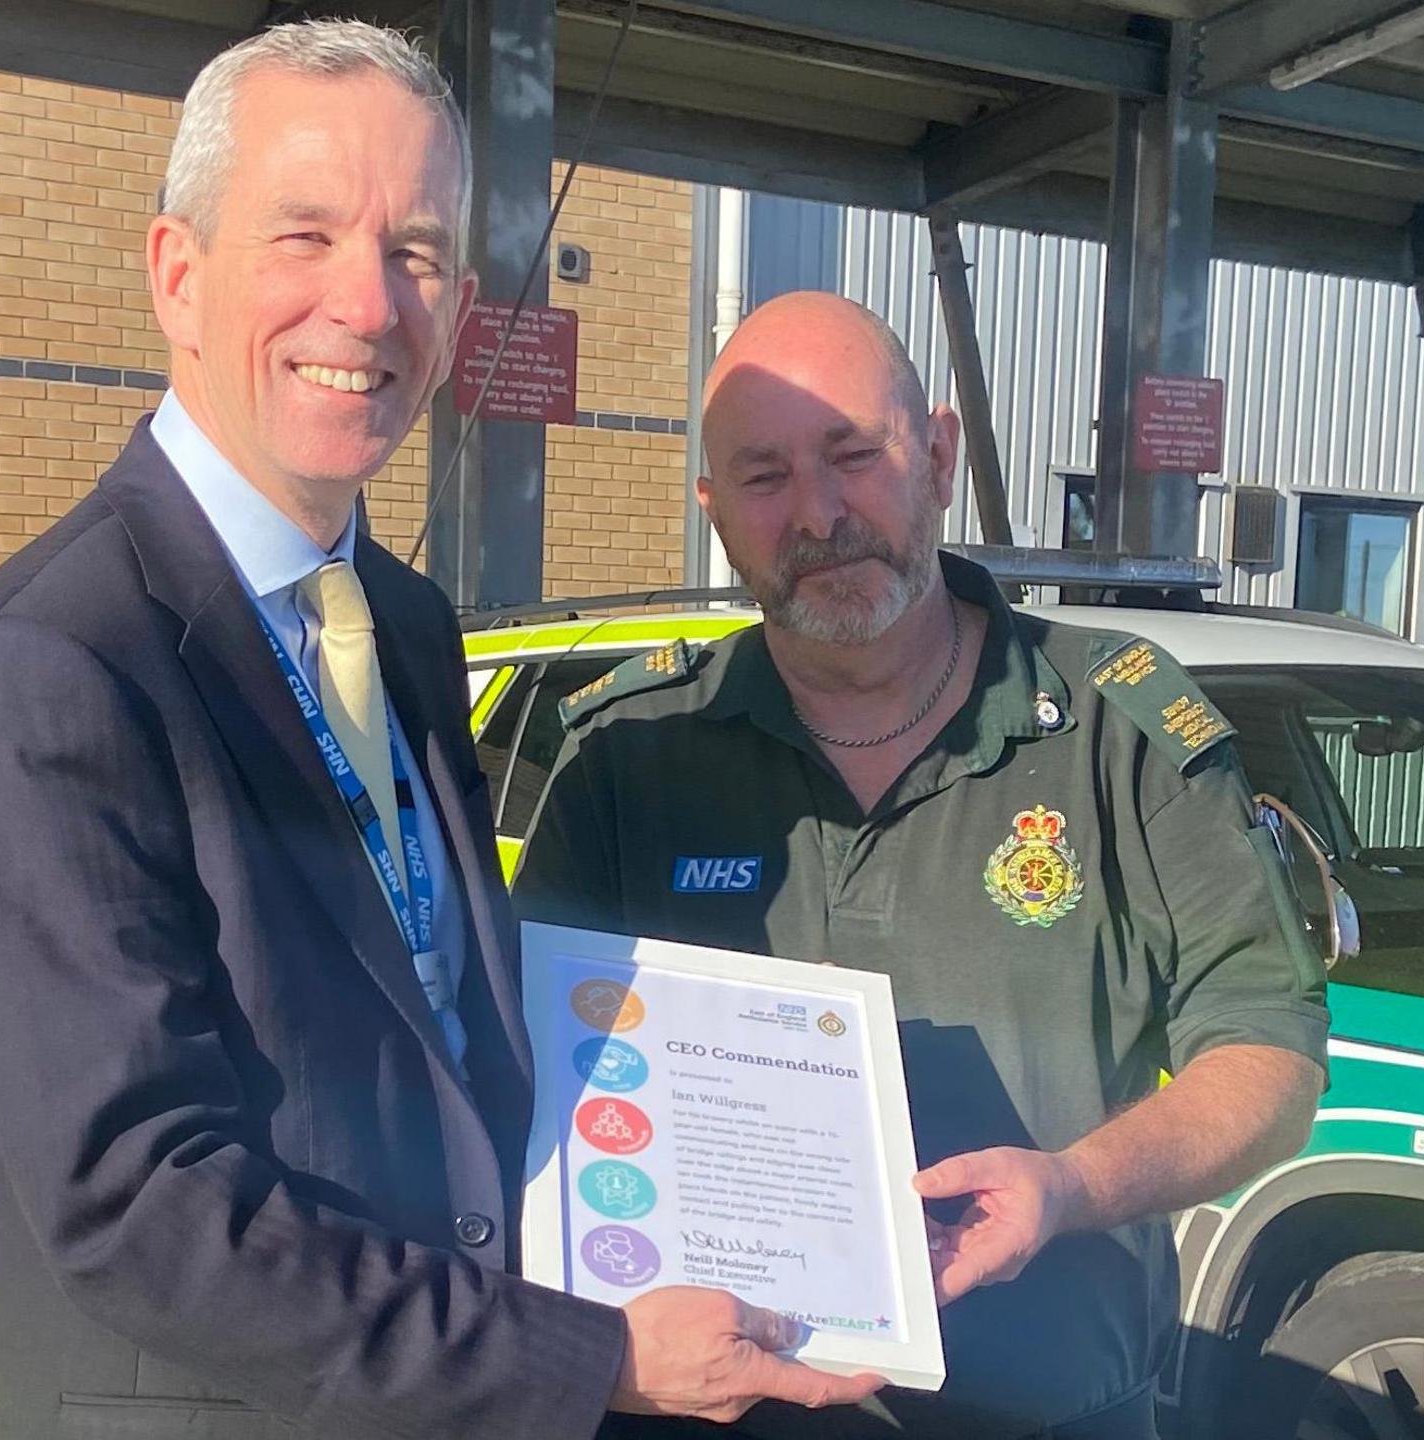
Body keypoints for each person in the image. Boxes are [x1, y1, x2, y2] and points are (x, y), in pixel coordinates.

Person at [0, 26, 881, 1440]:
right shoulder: (52, 668)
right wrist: (584, 1360)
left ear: (463, 309)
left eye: (415, 253)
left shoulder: (409, 628)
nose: (366, 305)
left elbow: (433, 1035)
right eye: (305, 236)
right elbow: (135, 1202)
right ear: (179, 276)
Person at [513, 292, 1329, 1440]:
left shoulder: (1118, 732)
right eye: (762, 478)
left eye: (855, 455)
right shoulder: (631, 757)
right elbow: (519, 1069)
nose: (819, 512)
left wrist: (1073, 1189)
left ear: (938, 453)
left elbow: (1268, 1052)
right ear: (712, 509)